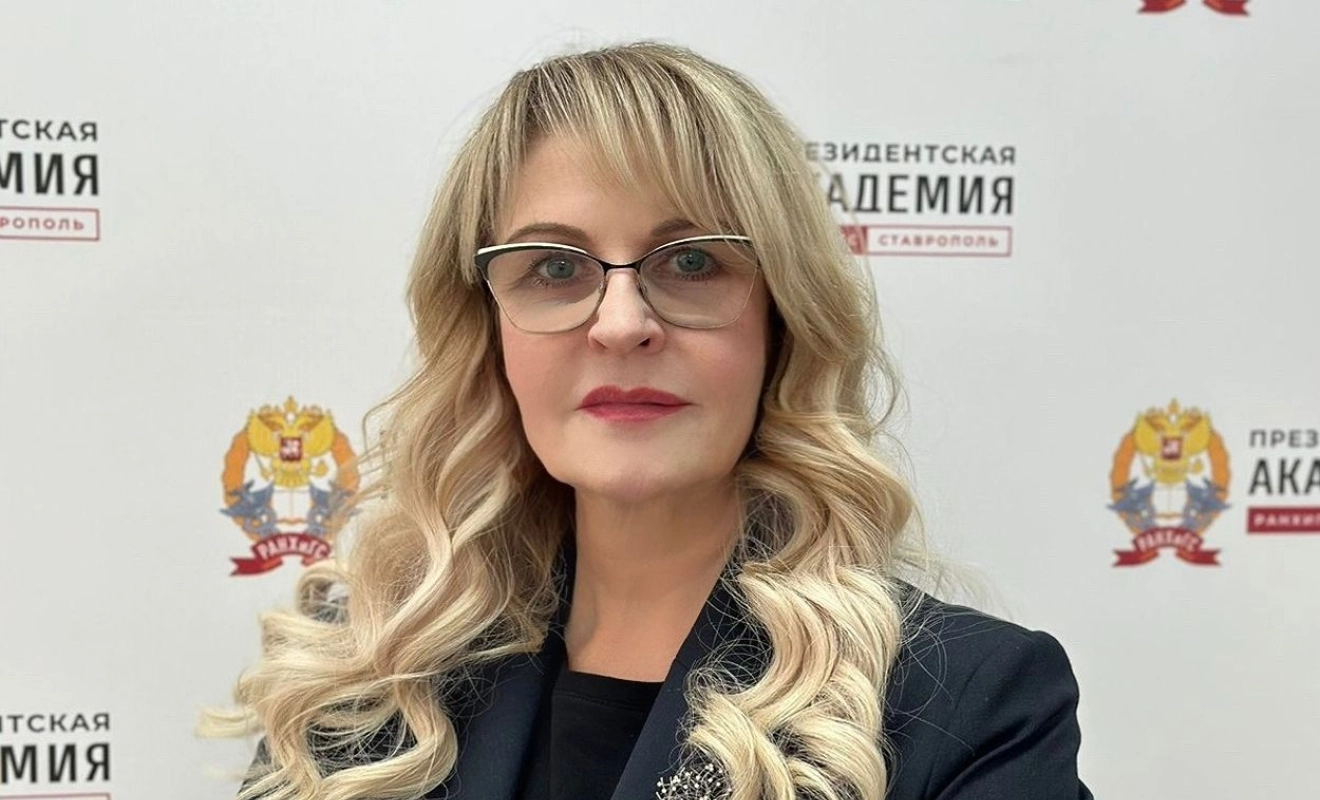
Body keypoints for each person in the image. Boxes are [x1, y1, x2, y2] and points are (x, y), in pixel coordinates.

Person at [202, 41, 1092, 800]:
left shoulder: (968, 705)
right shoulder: (362, 681)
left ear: (782, 318)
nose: (622, 324)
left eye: (693, 261)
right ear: (489, 329)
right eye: (555, 268)